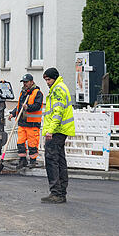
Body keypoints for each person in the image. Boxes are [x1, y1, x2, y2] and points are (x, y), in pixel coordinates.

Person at [41, 67, 75, 203]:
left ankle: (56, 193)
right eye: (46, 80)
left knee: (52, 161)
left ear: (54, 78)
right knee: (60, 161)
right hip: (61, 131)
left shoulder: (58, 89)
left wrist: (51, 130)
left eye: (48, 79)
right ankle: (61, 193)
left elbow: (58, 112)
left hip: (56, 131)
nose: (47, 82)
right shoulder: (61, 87)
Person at [8, 74, 44, 169]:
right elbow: (19, 106)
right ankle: (22, 160)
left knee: (32, 143)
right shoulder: (23, 92)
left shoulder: (37, 93)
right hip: (22, 123)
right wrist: (13, 113)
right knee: (20, 142)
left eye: (26, 82)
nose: (25, 84)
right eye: (23, 82)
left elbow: (37, 105)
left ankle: (33, 161)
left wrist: (28, 107)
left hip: (32, 124)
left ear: (31, 82)